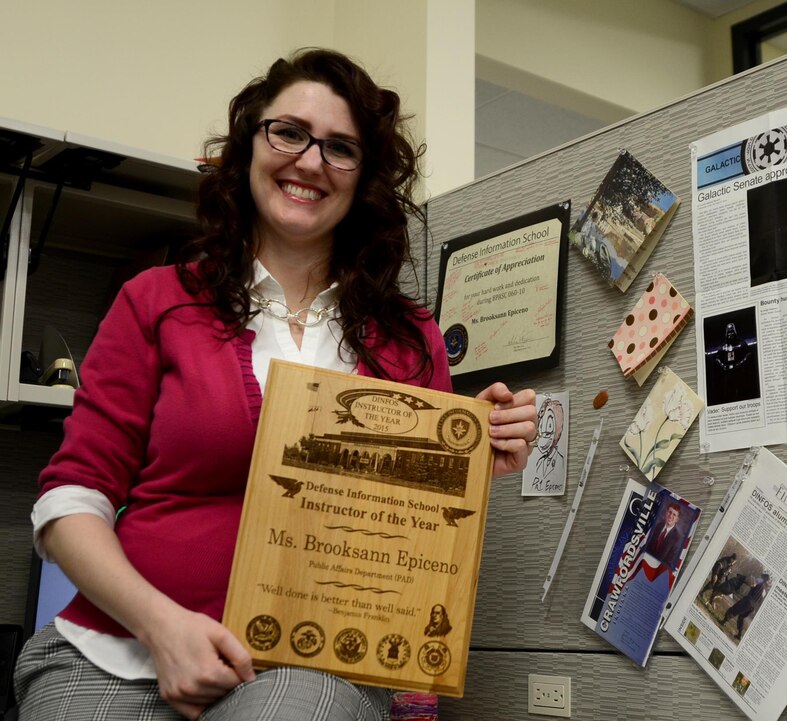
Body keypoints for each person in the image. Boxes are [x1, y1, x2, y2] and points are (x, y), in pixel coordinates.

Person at [13, 48, 537, 721]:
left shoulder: (409, 340)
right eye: (289, 132)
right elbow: (69, 502)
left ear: (364, 177)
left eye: (341, 147)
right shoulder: (155, 300)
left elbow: (411, 539)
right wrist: (163, 628)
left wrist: (467, 455)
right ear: (249, 145)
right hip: (120, 646)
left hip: (308, 663)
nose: (311, 161)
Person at [723, 573, 770, 640]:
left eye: (762, 576)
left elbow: (750, 582)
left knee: (734, 610)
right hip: (753, 607)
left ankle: (723, 621)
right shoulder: (764, 591)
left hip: (748, 601)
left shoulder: (759, 581)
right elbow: (760, 600)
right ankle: (739, 635)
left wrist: (743, 579)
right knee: (741, 617)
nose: (760, 576)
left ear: (763, 578)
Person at [644, 502, 684, 570]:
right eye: (670, 512)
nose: (670, 516)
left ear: (677, 519)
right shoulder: (658, 525)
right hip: (646, 562)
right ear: (666, 512)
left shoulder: (677, 538)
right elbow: (649, 546)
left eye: (674, 515)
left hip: (658, 569)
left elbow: (669, 563)